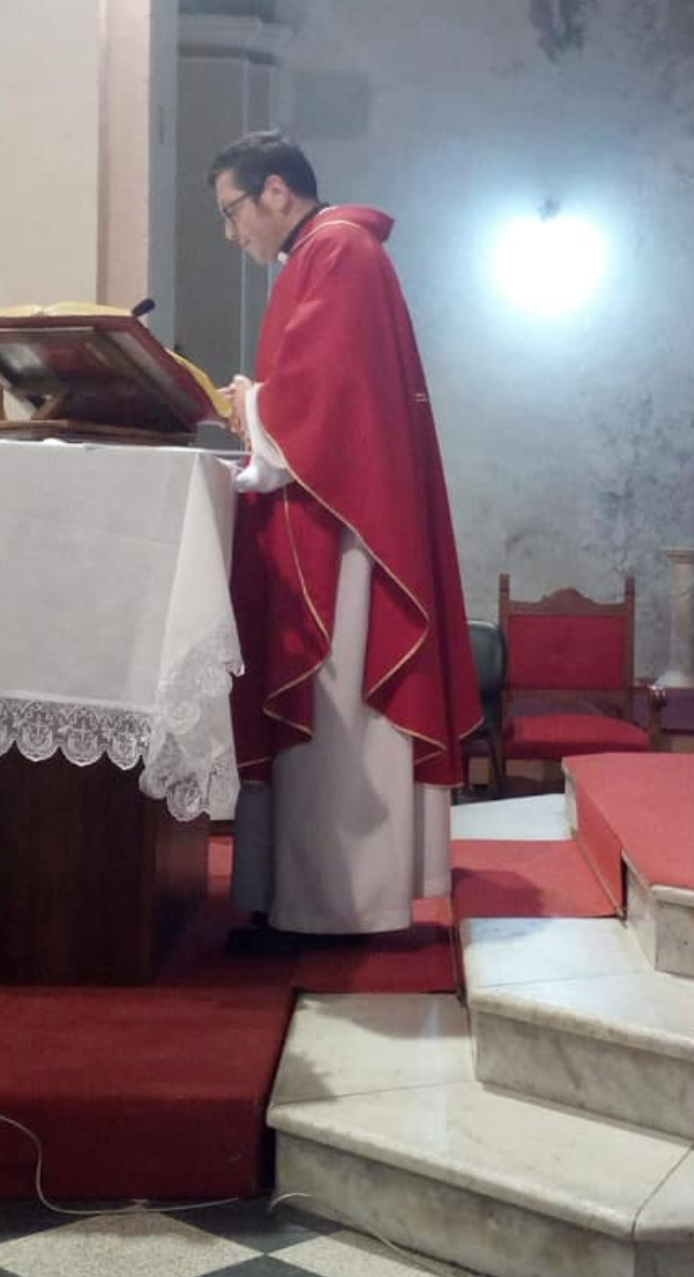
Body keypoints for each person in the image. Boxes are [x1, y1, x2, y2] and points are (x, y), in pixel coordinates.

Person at [208, 131, 480, 955]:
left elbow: (324, 400)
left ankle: (336, 908)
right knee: (324, 716)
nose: (233, 234)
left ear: (277, 193)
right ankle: (304, 896)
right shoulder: (326, 255)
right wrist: (260, 407)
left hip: (341, 531)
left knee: (339, 709)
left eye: (233, 213)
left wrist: (254, 405)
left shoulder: (339, 252)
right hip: (326, 514)